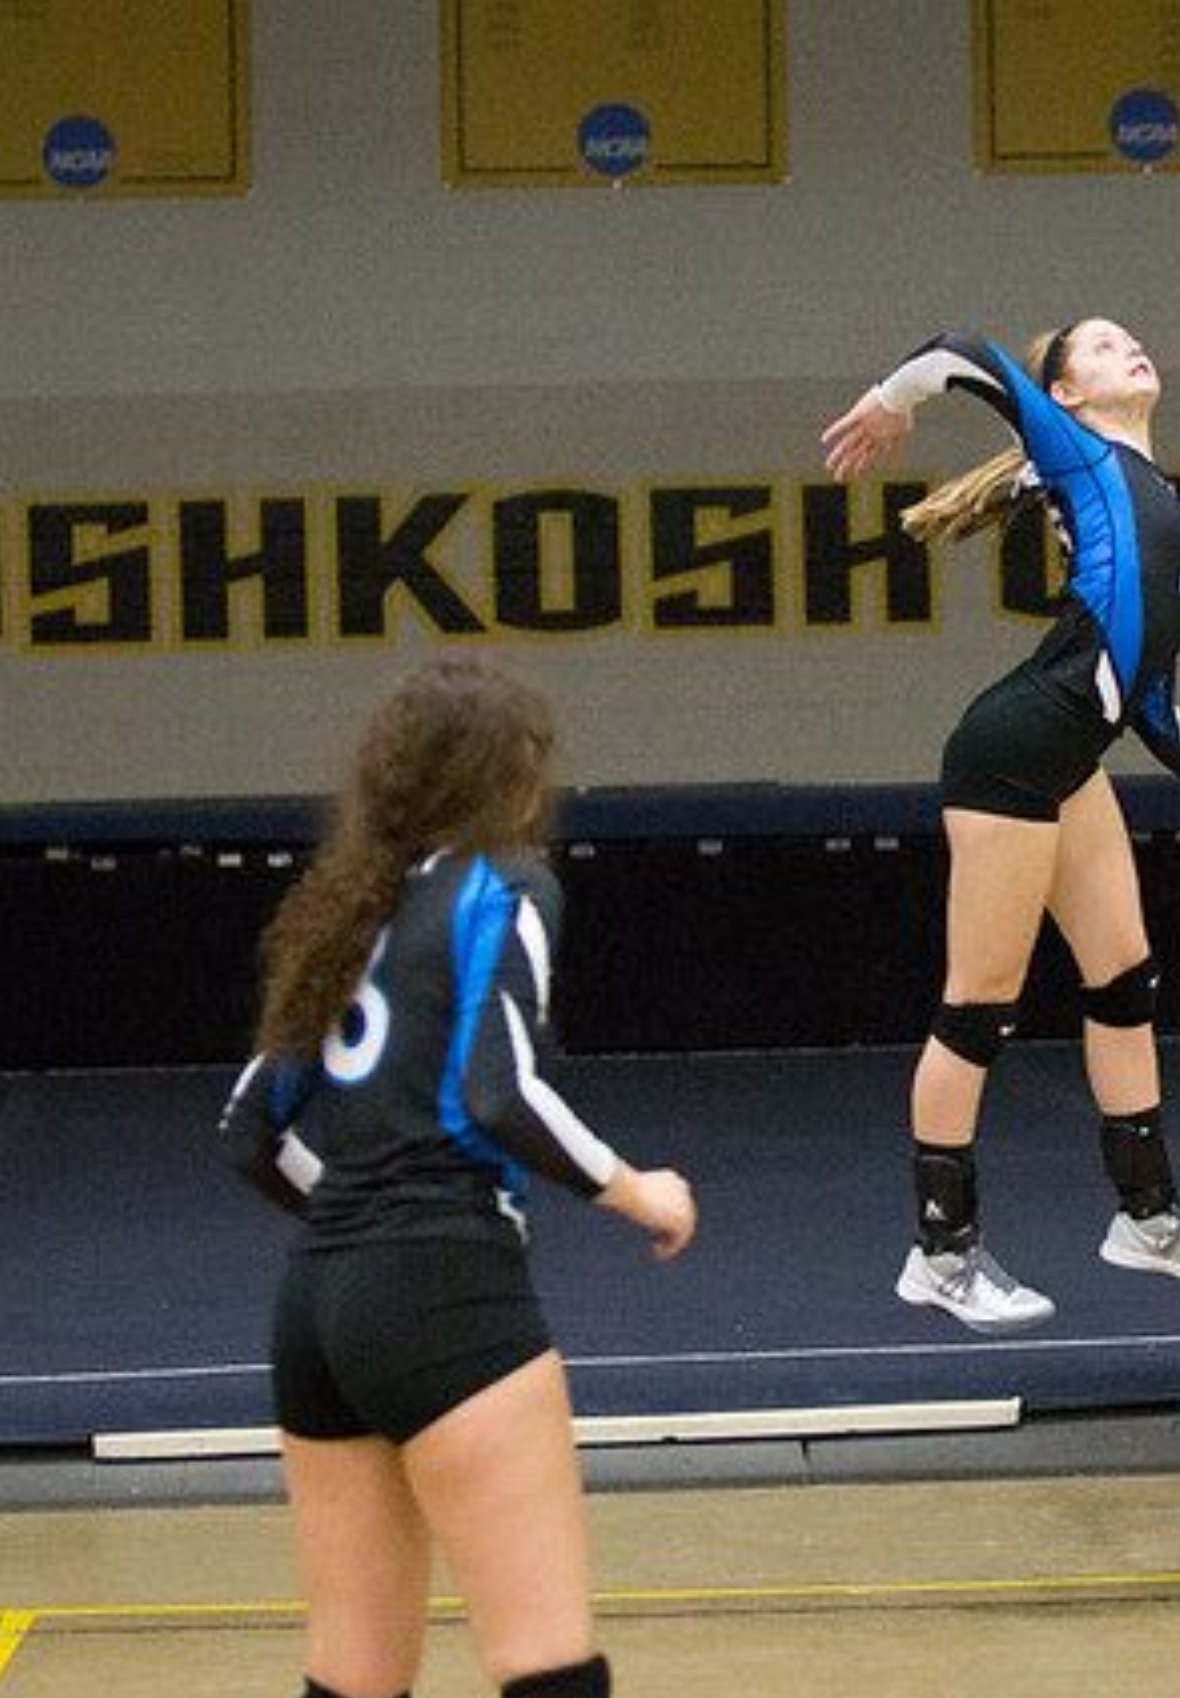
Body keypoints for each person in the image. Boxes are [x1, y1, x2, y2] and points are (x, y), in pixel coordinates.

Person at [821, 320, 1180, 1332]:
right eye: (1098, 347)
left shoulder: (1174, 519)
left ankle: (1145, 1217)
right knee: (978, 1007)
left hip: (1071, 759)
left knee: (1125, 980)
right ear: (1069, 395)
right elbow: (960, 350)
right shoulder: (1079, 453)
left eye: (1134, 338)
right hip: (1010, 753)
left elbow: (1150, 702)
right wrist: (893, 399)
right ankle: (941, 1250)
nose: (1129, 348)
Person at [219, 654, 696, 1698]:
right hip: (443, 1285)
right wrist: (635, 1186)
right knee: (547, 1668)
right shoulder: (507, 886)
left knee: (352, 1675)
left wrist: (357, 1218)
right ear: (508, 777)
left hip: (316, 1304)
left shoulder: (350, 909)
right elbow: (499, 1091)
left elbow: (249, 1129)